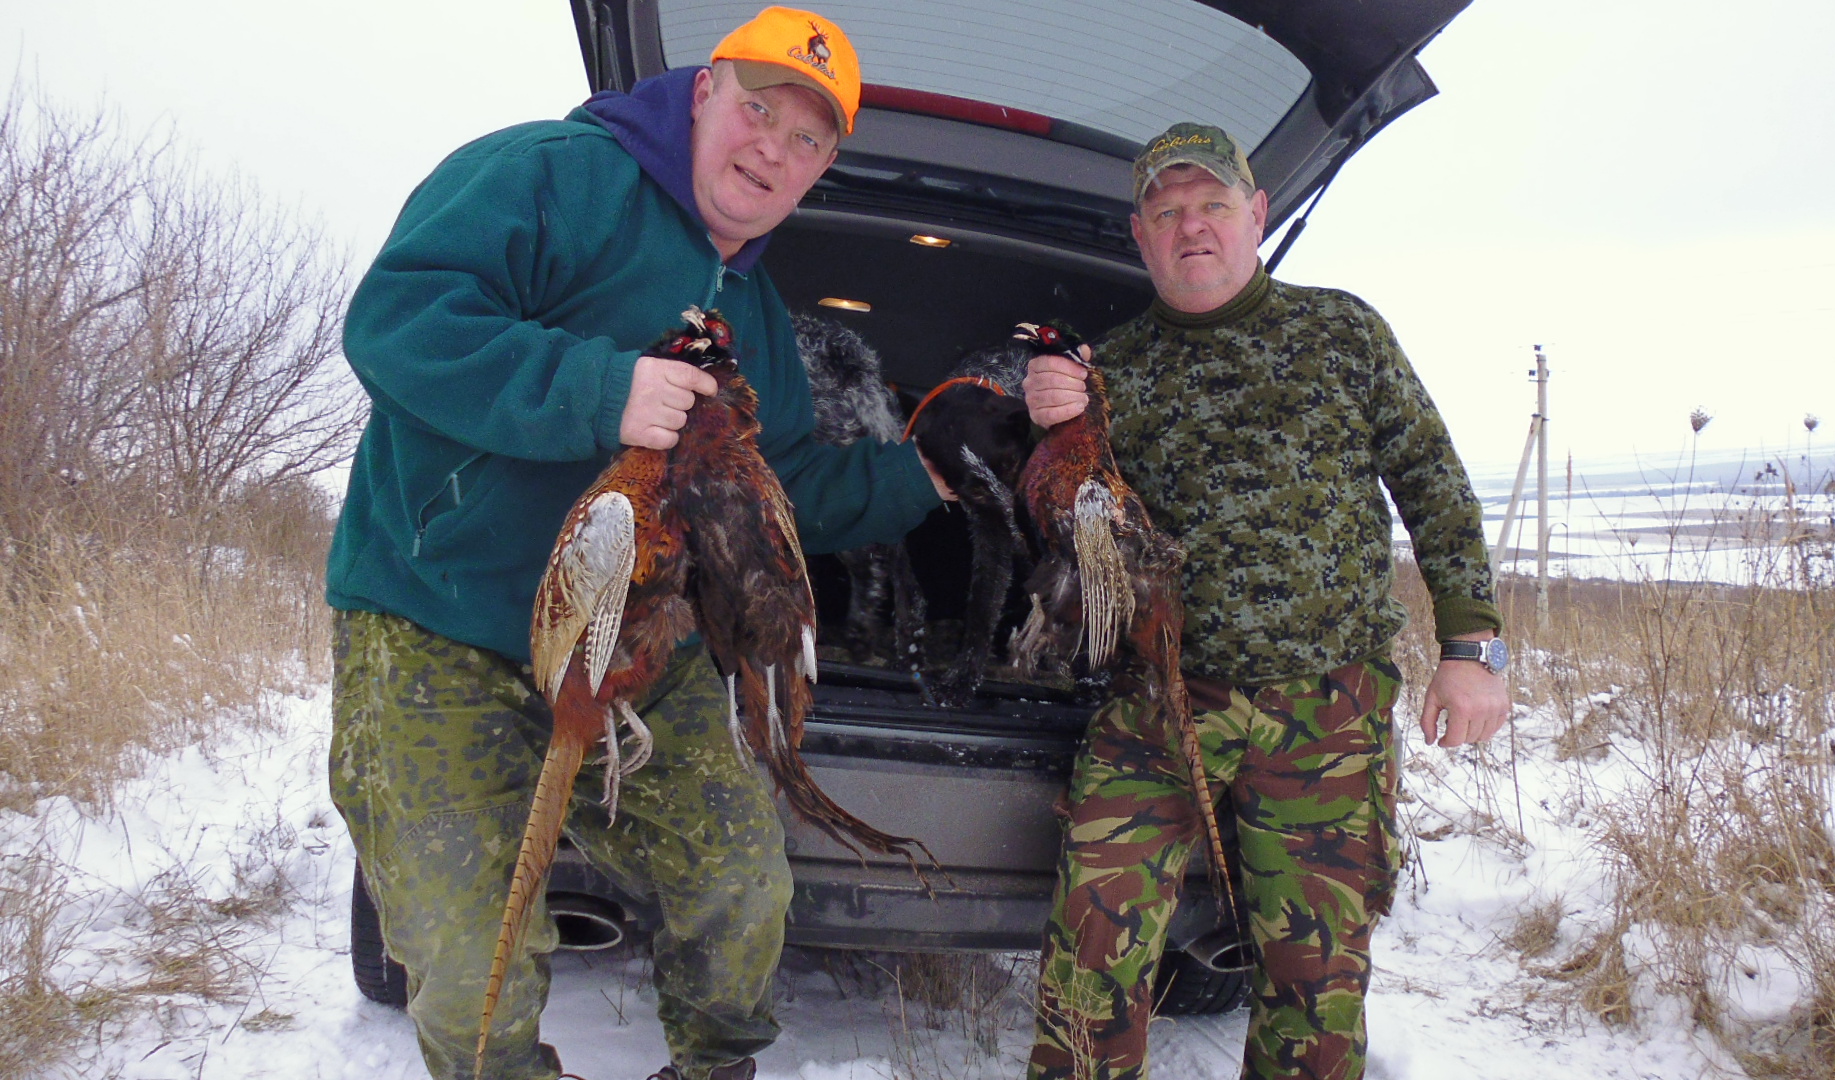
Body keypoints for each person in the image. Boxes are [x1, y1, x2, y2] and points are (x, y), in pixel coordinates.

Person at [325, 9, 952, 1080]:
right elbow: (398, 323)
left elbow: (780, 485)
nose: (773, 149)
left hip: (638, 652)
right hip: (441, 623)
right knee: (470, 961)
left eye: (807, 139)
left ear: (821, 170)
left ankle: (715, 1065)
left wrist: (925, 474)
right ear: (704, 92)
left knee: (743, 885)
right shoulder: (551, 176)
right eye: (759, 111)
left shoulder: (758, 317)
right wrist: (599, 390)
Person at [1020, 122, 1512, 1080]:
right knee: (1089, 956)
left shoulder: (1342, 332)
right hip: (1161, 704)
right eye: (1167, 211)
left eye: (1211, 205)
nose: (1191, 227)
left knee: (1313, 986)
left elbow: (1435, 484)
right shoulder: (1111, 371)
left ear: (1257, 213)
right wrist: (1050, 422)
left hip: (1325, 709)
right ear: (1140, 234)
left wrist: (1472, 648)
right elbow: (1066, 529)